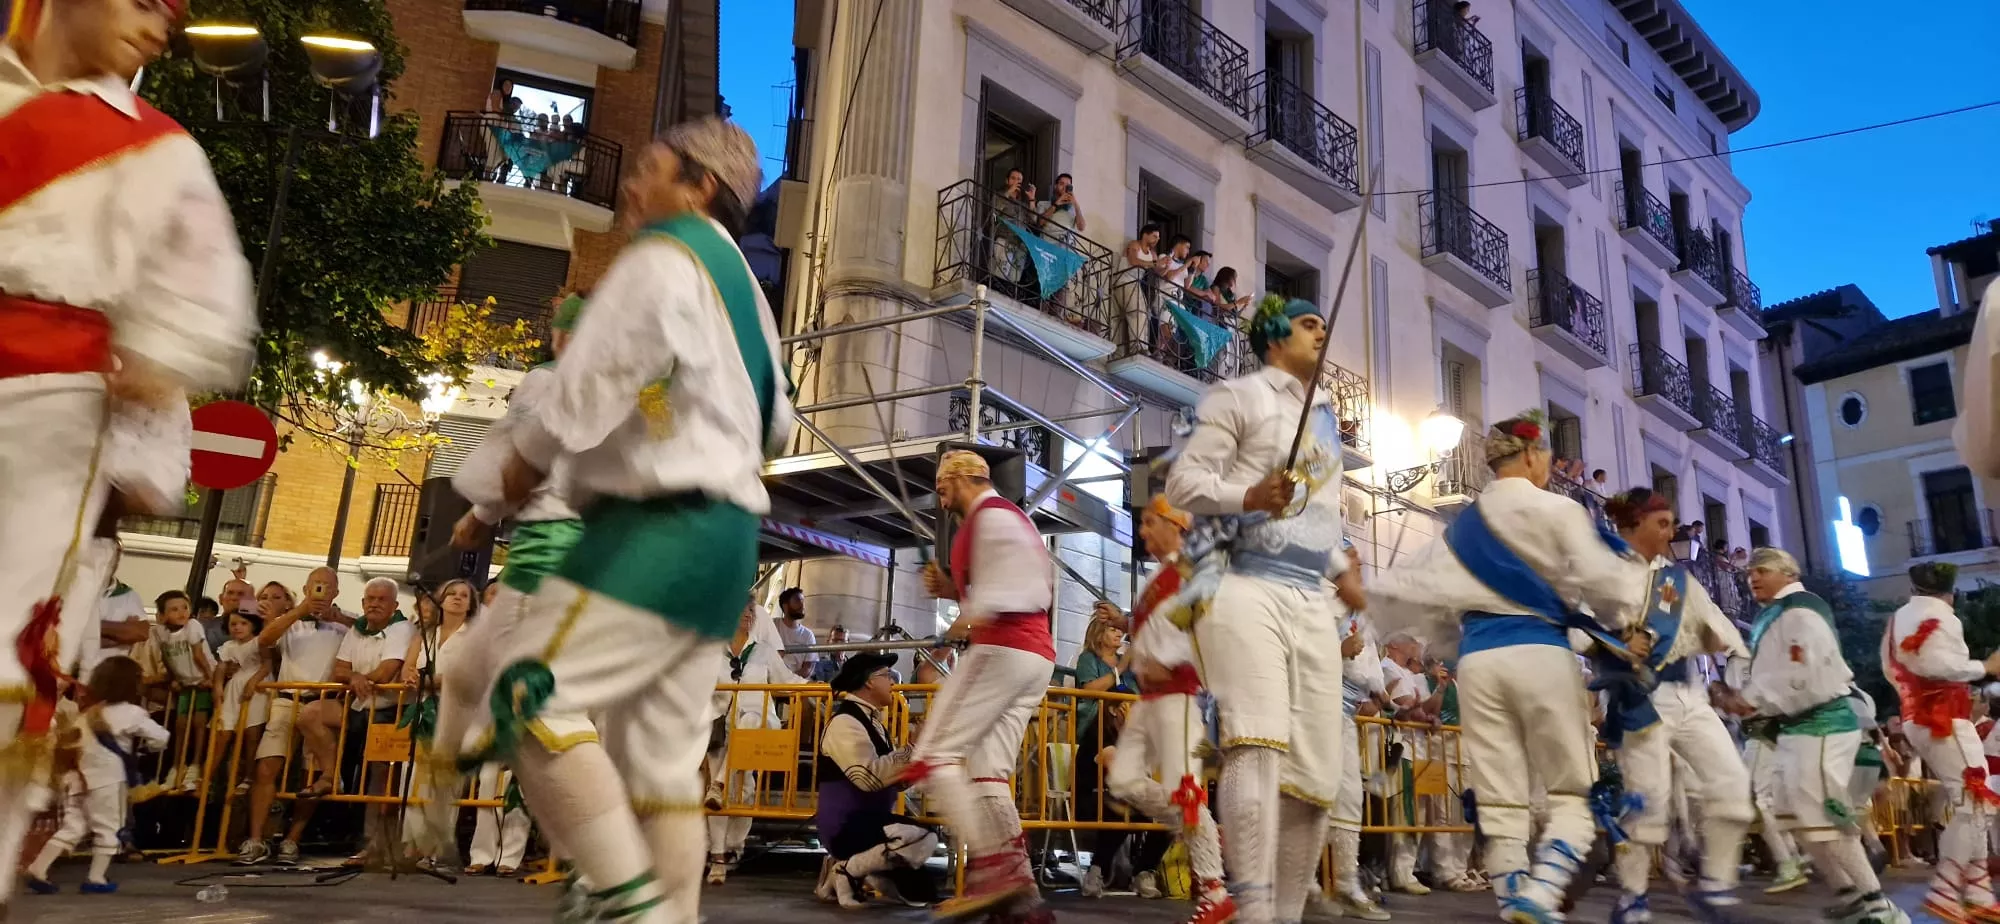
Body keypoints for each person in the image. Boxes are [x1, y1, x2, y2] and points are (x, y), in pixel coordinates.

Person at [448, 117, 792, 924]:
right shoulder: (746, 290)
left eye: (649, 166)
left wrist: (494, 497)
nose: (633, 185)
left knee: (530, 699)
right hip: (727, 541)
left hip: (655, 531)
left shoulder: (664, 257)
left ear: (698, 185)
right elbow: (774, 427)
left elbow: (575, 397)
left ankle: (626, 904)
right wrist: (669, 424)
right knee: (663, 772)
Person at [1365, 414, 1651, 924]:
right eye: (1545, 457)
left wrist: (1455, 640)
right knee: (1569, 791)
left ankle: (1513, 900)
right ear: (1534, 454)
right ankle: (1541, 894)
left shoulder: (1460, 530)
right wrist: (1628, 629)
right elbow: (1607, 585)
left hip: (1479, 662)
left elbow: (1404, 592)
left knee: (1498, 800)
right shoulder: (1559, 511)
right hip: (1540, 652)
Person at [1163, 294, 1354, 924]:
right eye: (1307, 324)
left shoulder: (1325, 421)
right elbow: (1183, 483)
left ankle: (1285, 916)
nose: (1321, 332)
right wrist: (1248, 492)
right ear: (1274, 337)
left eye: (1324, 325)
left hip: (1311, 598)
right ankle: (1252, 914)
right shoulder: (1238, 397)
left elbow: (1317, 518)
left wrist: (1342, 572)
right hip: (1244, 583)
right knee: (1257, 741)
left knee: (1318, 776)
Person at [423, 289, 590, 864]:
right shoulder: (620, 393)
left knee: (543, 703)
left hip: (548, 550)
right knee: (471, 671)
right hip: (581, 555)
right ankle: (438, 802)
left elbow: (520, 456)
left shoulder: (549, 380)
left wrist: (478, 513)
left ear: (562, 335)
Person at [1594, 488, 1755, 922]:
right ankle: (1632, 895)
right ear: (1632, 526)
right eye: (1662, 523)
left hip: (1691, 695)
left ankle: (1716, 885)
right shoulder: (1605, 573)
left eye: (1670, 523)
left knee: (1732, 785)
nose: (1671, 531)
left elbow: (1714, 629)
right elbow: (1582, 630)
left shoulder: (1678, 579)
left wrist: (1724, 683)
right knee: (1646, 801)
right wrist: (1615, 643)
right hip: (1640, 698)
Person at [910, 449, 1057, 921]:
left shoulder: (991, 518)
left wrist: (966, 618)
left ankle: (992, 874)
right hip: (1033, 656)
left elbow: (1017, 586)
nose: (938, 490)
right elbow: (1029, 580)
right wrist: (954, 591)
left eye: (942, 481)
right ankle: (1022, 897)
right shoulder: (1006, 519)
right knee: (988, 772)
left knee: (933, 757)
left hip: (1002, 648)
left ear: (964, 477)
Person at [1724, 548, 1909, 924]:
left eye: (1760, 571)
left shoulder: (1800, 610)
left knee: (1825, 814)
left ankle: (1879, 905)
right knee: (1794, 813)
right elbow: (1777, 674)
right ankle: (1849, 893)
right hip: (1796, 727)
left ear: (1786, 573)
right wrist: (1746, 699)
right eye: (1748, 574)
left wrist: (1749, 700)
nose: (1752, 579)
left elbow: (1800, 671)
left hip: (1821, 722)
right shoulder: (1777, 614)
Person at [1106, 495, 1234, 924]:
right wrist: (1126, 624)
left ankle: (1214, 891)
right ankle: (1195, 827)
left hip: (1178, 697)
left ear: (1172, 525)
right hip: (1148, 700)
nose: (1141, 531)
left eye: (1147, 522)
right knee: (1122, 780)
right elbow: (1160, 629)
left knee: (1187, 790)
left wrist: (1175, 663)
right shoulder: (1158, 578)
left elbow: (1212, 635)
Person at [1882, 562, 2000, 921]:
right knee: (1973, 803)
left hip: (1919, 716)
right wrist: (1986, 667)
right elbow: (1937, 664)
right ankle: (1947, 889)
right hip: (1944, 718)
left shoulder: (1898, 619)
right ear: (1951, 592)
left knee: (1974, 804)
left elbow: (1893, 668)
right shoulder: (1942, 616)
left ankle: (1978, 890)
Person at [22, 656, 168, 896]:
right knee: (108, 828)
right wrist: (149, 748)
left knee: (73, 827)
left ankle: (38, 869)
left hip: (77, 780)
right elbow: (160, 737)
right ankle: (96, 878)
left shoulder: (88, 714)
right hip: (108, 780)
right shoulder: (132, 712)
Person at [814, 651, 938, 909]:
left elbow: (893, 780)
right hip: (846, 826)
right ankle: (846, 870)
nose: (893, 681)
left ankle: (843, 868)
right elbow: (868, 779)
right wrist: (911, 748)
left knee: (921, 894)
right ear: (869, 682)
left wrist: (919, 760)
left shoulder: (875, 722)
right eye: (887, 675)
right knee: (923, 837)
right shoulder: (845, 722)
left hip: (871, 825)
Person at [704, 602, 807, 883]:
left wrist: (822, 687)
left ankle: (729, 842)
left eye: (751, 611)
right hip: (719, 728)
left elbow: (787, 680)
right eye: (742, 610)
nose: (748, 615)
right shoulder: (712, 651)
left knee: (749, 723)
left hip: (756, 725)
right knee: (739, 791)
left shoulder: (763, 651)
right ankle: (719, 856)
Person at [1328, 541, 1392, 920]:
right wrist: (1337, 650)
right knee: (1314, 795)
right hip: (1313, 709)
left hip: (1342, 712)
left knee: (1348, 795)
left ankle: (1343, 881)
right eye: (1351, 563)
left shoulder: (1354, 614)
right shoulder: (1318, 605)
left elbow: (1366, 671)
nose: (1359, 569)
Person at [211, 609, 268, 797]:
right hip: (235, 686)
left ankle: (249, 776)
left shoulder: (259, 642)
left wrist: (254, 681)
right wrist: (218, 686)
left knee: (252, 733)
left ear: (253, 624)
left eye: (243, 623)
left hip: (257, 685)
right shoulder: (228, 646)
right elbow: (221, 667)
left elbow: (268, 664)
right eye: (233, 624)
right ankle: (208, 775)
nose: (238, 628)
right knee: (224, 732)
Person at [774, 588, 818, 679]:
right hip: (770, 683)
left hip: (795, 686)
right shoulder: (772, 625)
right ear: (785, 606)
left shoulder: (808, 635)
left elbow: (808, 668)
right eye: (797, 601)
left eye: (802, 601)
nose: (802, 605)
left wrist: (788, 679)